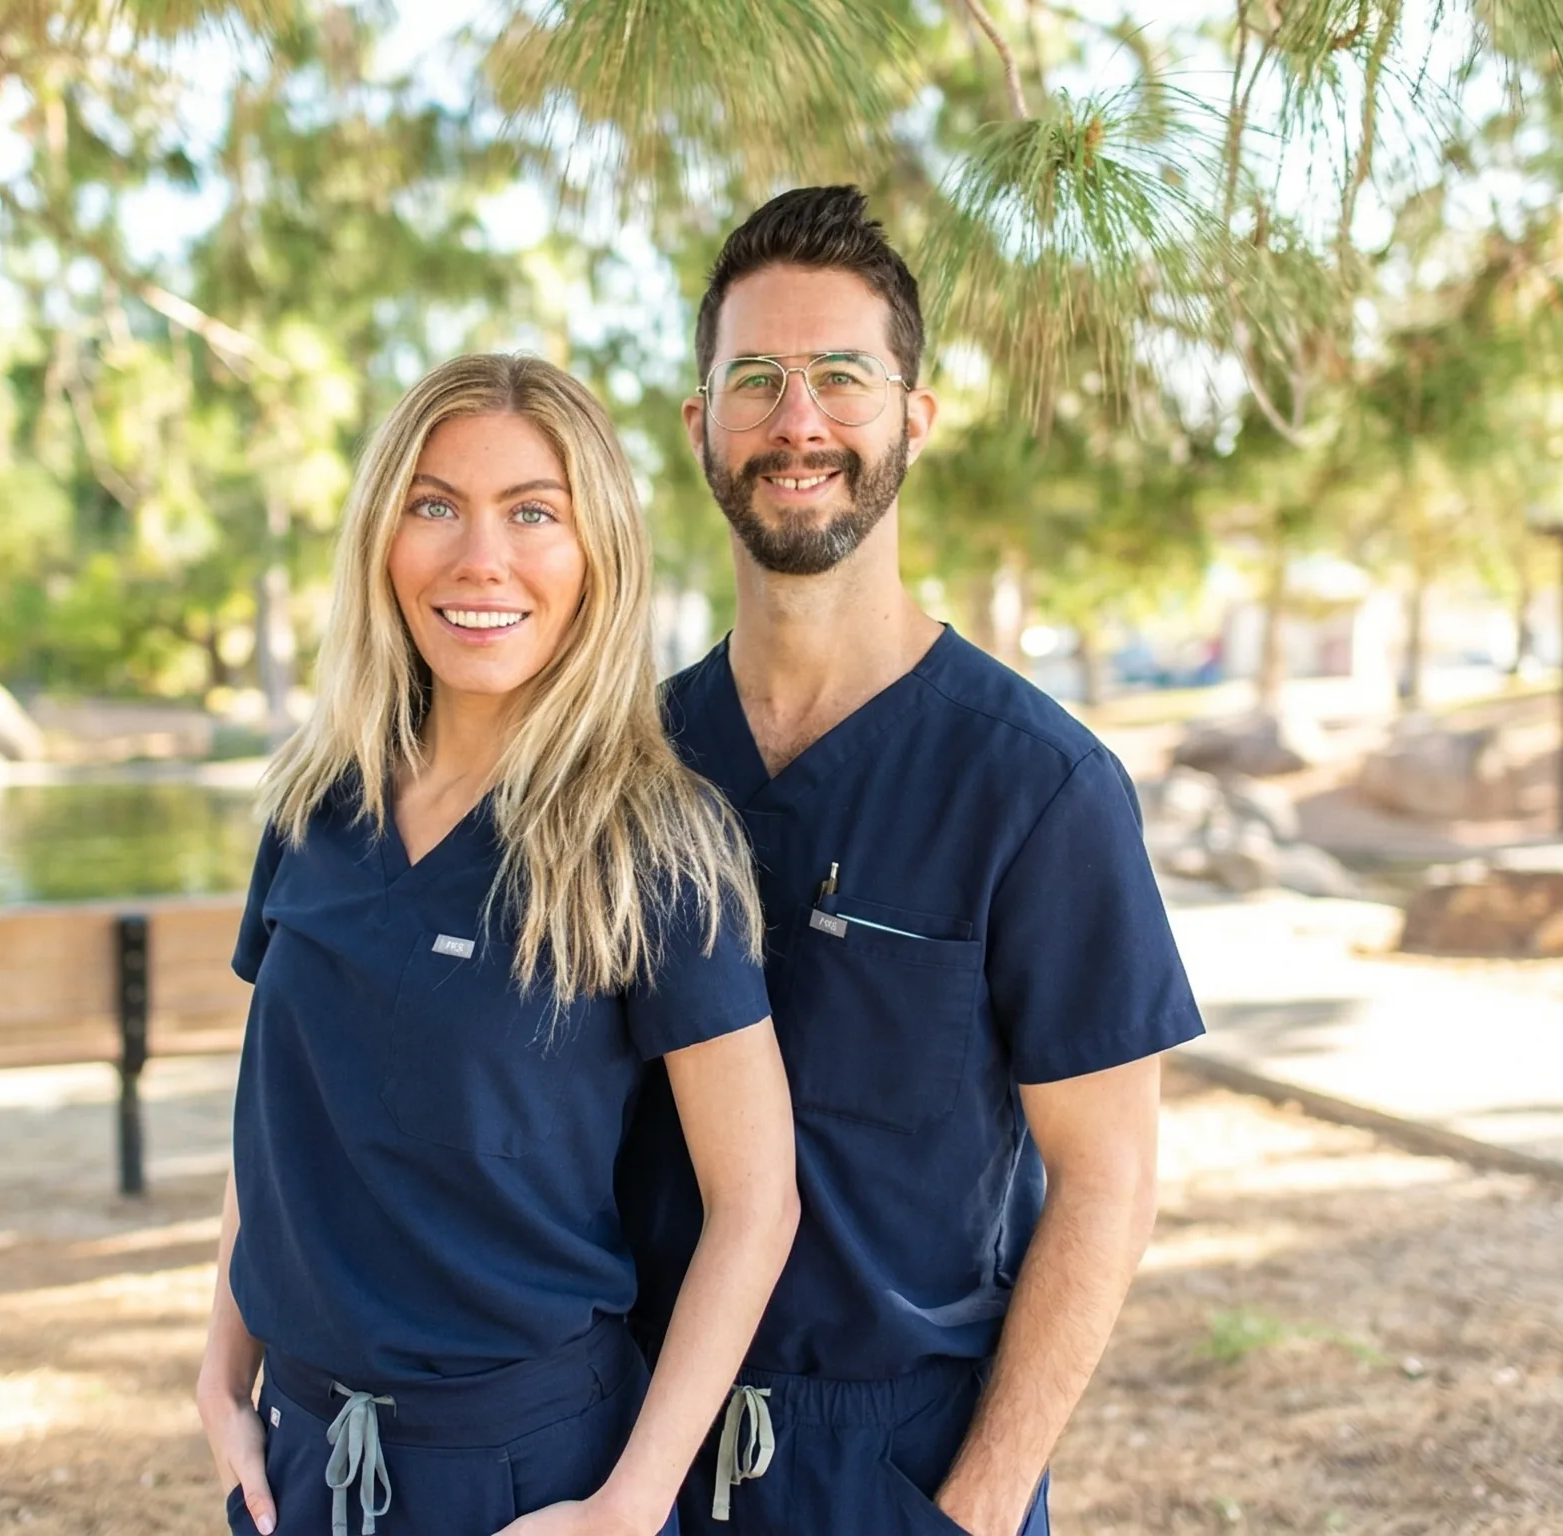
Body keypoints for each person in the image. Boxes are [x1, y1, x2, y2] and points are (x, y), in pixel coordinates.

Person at [620, 187, 1207, 1535]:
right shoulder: (631, 767)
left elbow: (1108, 1180)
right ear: (700, 421)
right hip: (630, 1451)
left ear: (915, 419)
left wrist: (982, 1504)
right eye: (755, 378)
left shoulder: (1039, 786)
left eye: (843, 377)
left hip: (896, 1469)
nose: (798, 419)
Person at [198, 354, 800, 1536]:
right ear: (382, 537)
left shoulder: (653, 845)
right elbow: (275, 1123)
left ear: (598, 555)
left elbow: (756, 1202)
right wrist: (222, 1372)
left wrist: (628, 1505)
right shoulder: (312, 806)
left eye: (535, 512)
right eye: (435, 506)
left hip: (529, 1470)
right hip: (304, 1457)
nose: (482, 559)